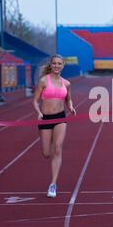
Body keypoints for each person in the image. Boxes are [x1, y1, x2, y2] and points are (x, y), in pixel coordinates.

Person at [32, 55, 76, 198]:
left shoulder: (67, 83)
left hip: (60, 117)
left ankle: (53, 184)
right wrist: (38, 112)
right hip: (45, 118)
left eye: (59, 64)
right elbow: (35, 101)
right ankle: (52, 152)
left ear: (63, 66)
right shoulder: (43, 81)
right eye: (54, 63)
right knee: (46, 153)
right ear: (50, 65)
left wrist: (71, 107)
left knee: (57, 148)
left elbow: (68, 99)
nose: (57, 66)